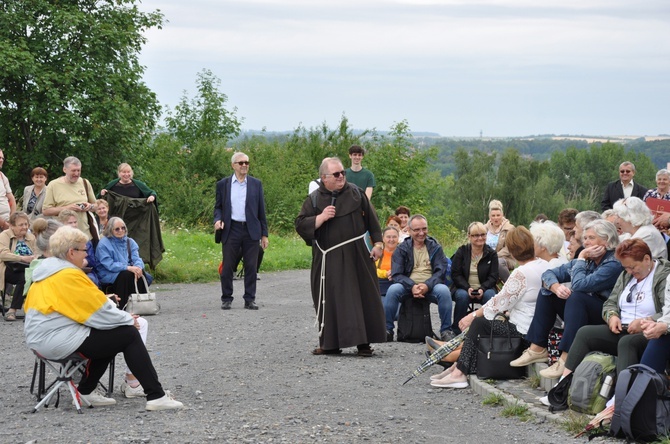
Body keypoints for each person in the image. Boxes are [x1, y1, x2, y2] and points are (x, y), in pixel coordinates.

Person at [23, 226, 182, 410]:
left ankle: (86, 391)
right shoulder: (68, 275)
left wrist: (120, 318)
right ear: (71, 252)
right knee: (128, 334)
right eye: (84, 250)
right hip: (55, 339)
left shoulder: (47, 272)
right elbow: (99, 311)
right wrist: (128, 319)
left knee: (111, 334)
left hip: (41, 339)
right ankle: (156, 396)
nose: (87, 255)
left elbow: (90, 309)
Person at [430, 227, 552, 388]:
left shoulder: (521, 272)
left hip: (523, 333)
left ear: (513, 251)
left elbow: (499, 302)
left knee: (479, 324)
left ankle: (459, 371)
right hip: (533, 329)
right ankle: (457, 367)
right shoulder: (543, 265)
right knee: (485, 326)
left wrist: (472, 316)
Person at [295, 157, 386, 356]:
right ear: (323, 178)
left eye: (342, 173)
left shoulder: (356, 193)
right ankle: (330, 344)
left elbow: (373, 221)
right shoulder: (314, 200)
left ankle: (363, 344)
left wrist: (378, 244)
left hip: (357, 255)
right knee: (330, 299)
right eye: (336, 174)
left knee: (361, 297)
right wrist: (320, 218)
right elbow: (301, 224)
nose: (341, 177)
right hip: (328, 258)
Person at [510, 220, 623, 379]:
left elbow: (579, 285)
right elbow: (548, 274)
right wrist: (555, 287)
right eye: (585, 238)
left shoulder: (613, 263)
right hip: (583, 310)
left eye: (591, 238)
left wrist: (581, 258)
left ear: (606, 240)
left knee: (576, 296)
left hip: (607, 315)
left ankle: (565, 359)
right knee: (548, 292)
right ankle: (538, 349)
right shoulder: (590, 258)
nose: (586, 242)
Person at [558, 239, 670, 381]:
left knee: (627, 342)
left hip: (648, 332)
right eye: (626, 268)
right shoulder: (626, 275)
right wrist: (612, 316)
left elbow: (667, 313)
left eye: (633, 267)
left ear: (647, 259)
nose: (629, 271)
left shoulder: (664, 276)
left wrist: (645, 321)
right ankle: (563, 383)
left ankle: (621, 394)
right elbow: (610, 302)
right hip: (623, 327)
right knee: (585, 333)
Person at [383, 214, 454, 342]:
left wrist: (427, 285)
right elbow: (397, 274)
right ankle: (387, 330)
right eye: (417, 230)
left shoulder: (435, 247)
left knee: (444, 291)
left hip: (431, 285)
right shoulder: (401, 248)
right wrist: (412, 286)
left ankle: (446, 330)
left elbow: (440, 271)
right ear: (409, 231)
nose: (421, 233)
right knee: (393, 290)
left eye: (424, 229)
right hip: (407, 285)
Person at [214, 152, 269, 310]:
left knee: (251, 266)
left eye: (247, 162)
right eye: (241, 163)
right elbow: (218, 207)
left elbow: (261, 211)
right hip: (232, 228)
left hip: (251, 229)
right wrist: (217, 220)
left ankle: (250, 299)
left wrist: (264, 234)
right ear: (233, 165)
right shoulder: (223, 184)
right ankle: (226, 298)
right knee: (227, 266)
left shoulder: (256, 184)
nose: (244, 165)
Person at [99, 163, 163, 268]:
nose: (126, 174)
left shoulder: (138, 185)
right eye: (123, 172)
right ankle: (120, 266)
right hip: (118, 220)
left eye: (128, 172)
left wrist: (152, 197)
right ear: (119, 173)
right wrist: (102, 193)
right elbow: (101, 200)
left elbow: (151, 192)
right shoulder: (112, 185)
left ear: (131, 173)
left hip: (136, 221)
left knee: (136, 242)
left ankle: (137, 265)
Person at [451, 222, 499, 334]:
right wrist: (467, 287)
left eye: (483, 234)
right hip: (464, 288)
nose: (480, 238)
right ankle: (457, 330)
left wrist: (483, 288)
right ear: (469, 236)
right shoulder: (461, 251)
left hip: (485, 288)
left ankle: (489, 330)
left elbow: (493, 276)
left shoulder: (492, 254)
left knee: (490, 296)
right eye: (476, 235)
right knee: (462, 296)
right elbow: (455, 274)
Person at [96, 217, 148, 310]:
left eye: (123, 228)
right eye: (117, 229)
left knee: (139, 272)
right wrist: (128, 267)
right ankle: (122, 305)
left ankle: (142, 305)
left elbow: (137, 258)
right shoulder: (103, 244)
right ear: (110, 230)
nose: (121, 230)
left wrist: (138, 267)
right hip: (108, 272)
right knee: (125, 274)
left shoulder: (130, 241)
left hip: (125, 269)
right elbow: (109, 264)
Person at [42, 156, 98, 238]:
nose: (76, 174)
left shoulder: (84, 182)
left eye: (78, 170)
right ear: (65, 169)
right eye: (73, 171)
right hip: (63, 237)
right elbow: (46, 211)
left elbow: (96, 206)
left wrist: (90, 206)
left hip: (84, 235)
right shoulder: (53, 185)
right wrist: (68, 208)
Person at [0, 212, 36, 321]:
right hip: (8, 268)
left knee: (40, 276)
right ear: (11, 226)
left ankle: (35, 310)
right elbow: (2, 254)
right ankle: (12, 310)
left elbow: (37, 253)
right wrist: (22, 258)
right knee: (25, 277)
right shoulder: (4, 235)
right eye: (21, 225)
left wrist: (35, 257)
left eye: (26, 224)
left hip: (28, 268)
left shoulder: (31, 237)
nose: (24, 227)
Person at [58, 210, 99, 286]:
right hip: (64, 270)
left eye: (75, 222)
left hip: (84, 271)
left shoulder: (84, 239)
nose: (74, 225)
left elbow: (91, 260)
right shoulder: (58, 240)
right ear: (62, 224)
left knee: (90, 279)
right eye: (70, 223)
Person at [484, 199, 515, 281]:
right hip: (486, 258)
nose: (496, 218)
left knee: (498, 262)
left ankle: (511, 284)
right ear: (489, 216)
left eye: (498, 215)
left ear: (502, 215)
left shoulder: (509, 228)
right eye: (493, 216)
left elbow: (509, 248)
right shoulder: (484, 228)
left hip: (505, 258)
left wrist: (493, 256)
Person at [377, 226, 400, 296]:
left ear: (398, 238)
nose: (391, 239)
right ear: (383, 239)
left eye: (394, 237)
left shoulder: (403, 253)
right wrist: (385, 273)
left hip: (398, 286)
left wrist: (395, 273)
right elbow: (372, 270)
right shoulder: (378, 253)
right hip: (380, 286)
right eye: (388, 237)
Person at [0, 149, 17, 230]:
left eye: (2, 158)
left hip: (8, 220)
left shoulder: (2, 176)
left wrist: (12, 219)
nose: (1, 160)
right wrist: (3, 224)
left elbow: (11, 199)